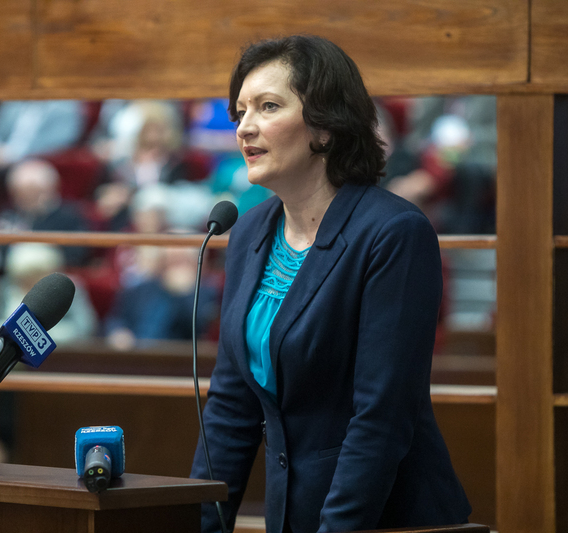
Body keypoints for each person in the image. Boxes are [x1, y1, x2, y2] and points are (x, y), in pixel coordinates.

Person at [189, 35, 470, 533]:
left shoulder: (393, 233)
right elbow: (231, 409)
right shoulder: (250, 231)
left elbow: (381, 418)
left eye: (268, 107)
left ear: (324, 124)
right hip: (291, 513)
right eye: (240, 112)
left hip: (387, 519)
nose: (244, 127)